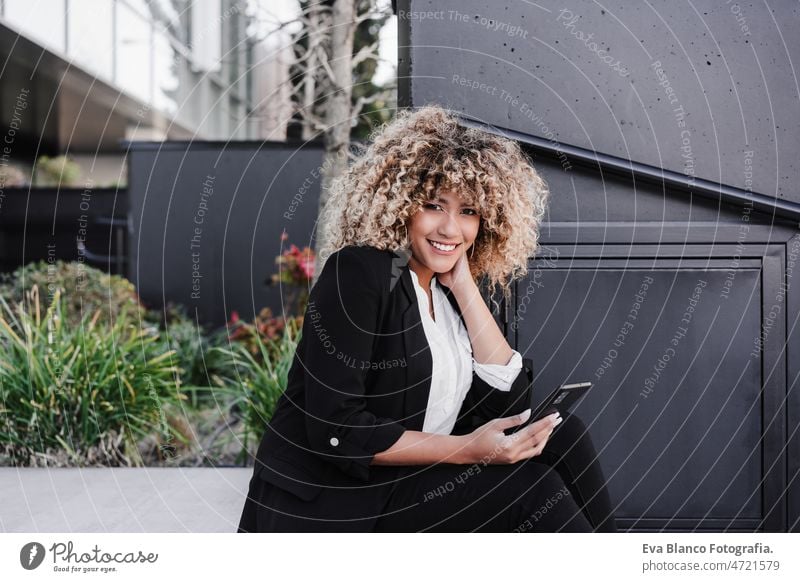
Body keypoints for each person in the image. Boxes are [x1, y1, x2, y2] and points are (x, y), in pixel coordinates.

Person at [237, 104, 616, 532]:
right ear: (401, 205)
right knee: (532, 489)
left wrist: (463, 285)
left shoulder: (449, 291)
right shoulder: (359, 272)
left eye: (469, 212)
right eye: (435, 205)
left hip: (410, 482)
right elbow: (335, 429)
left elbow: (510, 406)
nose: (451, 229)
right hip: (339, 498)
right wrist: (468, 450)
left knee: (564, 435)